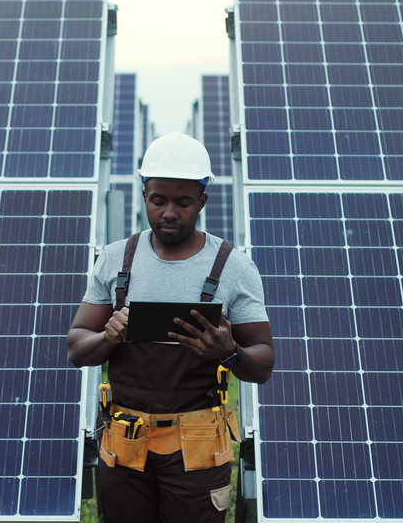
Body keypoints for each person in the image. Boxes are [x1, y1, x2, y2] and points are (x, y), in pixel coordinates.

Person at [67, 132, 274, 523]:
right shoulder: (115, 259)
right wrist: (108, 337)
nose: (169, 213)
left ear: (202, 201)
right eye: (158, 200)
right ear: (145, 195)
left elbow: (263, 364)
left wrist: (228, 352)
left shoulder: (234, 267)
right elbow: (77, 348)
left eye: (183, 202)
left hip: (197, 450)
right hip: (125, 444)